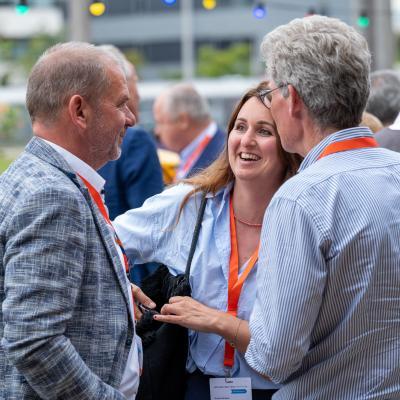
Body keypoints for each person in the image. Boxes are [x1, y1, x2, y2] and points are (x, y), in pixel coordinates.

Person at [239, 16, 400, 399]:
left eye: (271, 94)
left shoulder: (301, 198)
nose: (270, 105)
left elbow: (274, 356)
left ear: (292, 99)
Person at [114, 81, 301, 400]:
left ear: (288, 143)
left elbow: (288, 346)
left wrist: (217, 321)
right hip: (197, 388)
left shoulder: (303, 217)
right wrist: (120, 285)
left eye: (264, 131)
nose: (246, 140)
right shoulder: (190, 204)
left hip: (280, 391)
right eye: (240, 127)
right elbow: (104, 240)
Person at [0, 42, 154, 399]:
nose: (130, 118)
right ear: (79, 110)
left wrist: (112, 290)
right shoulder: (53, 194)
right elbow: (34, 341)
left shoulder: (37, 177)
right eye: (120, 104)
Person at [97, 45, 164, 284]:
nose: (138, 93)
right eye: (134, 80)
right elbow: (154, 228)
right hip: (131, 279)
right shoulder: (135, 141)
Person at [153, 83, 226, 181]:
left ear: (182, 120)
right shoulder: (190, 153)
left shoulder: (223, 157)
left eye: (160, 122)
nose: (157, 131)